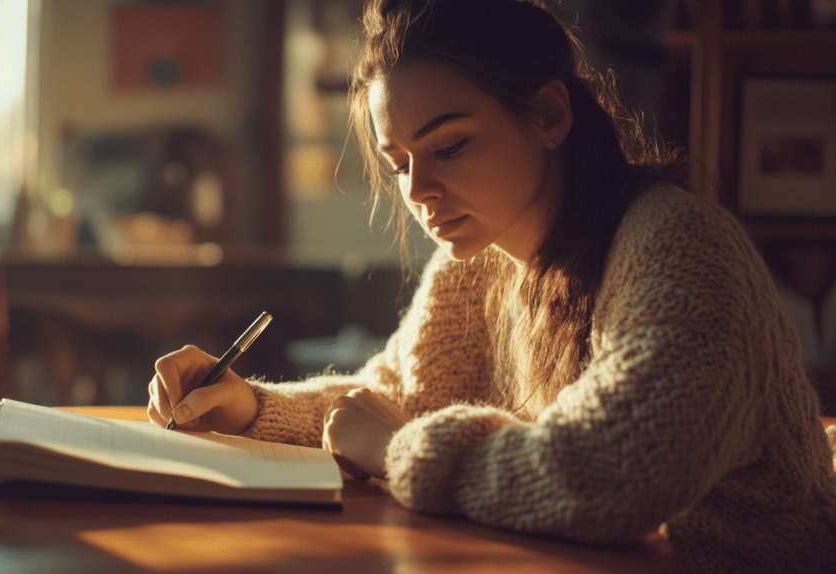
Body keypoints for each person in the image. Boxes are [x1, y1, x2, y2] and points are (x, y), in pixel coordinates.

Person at [148, 1, 836, 572]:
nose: (418, 192)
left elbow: (617, 473)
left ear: (550, 116)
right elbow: (394, 396)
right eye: (398, 163)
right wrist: (249, 408)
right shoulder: (476, 261)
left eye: (448, 146)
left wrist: (397, 449)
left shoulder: (678, 242)